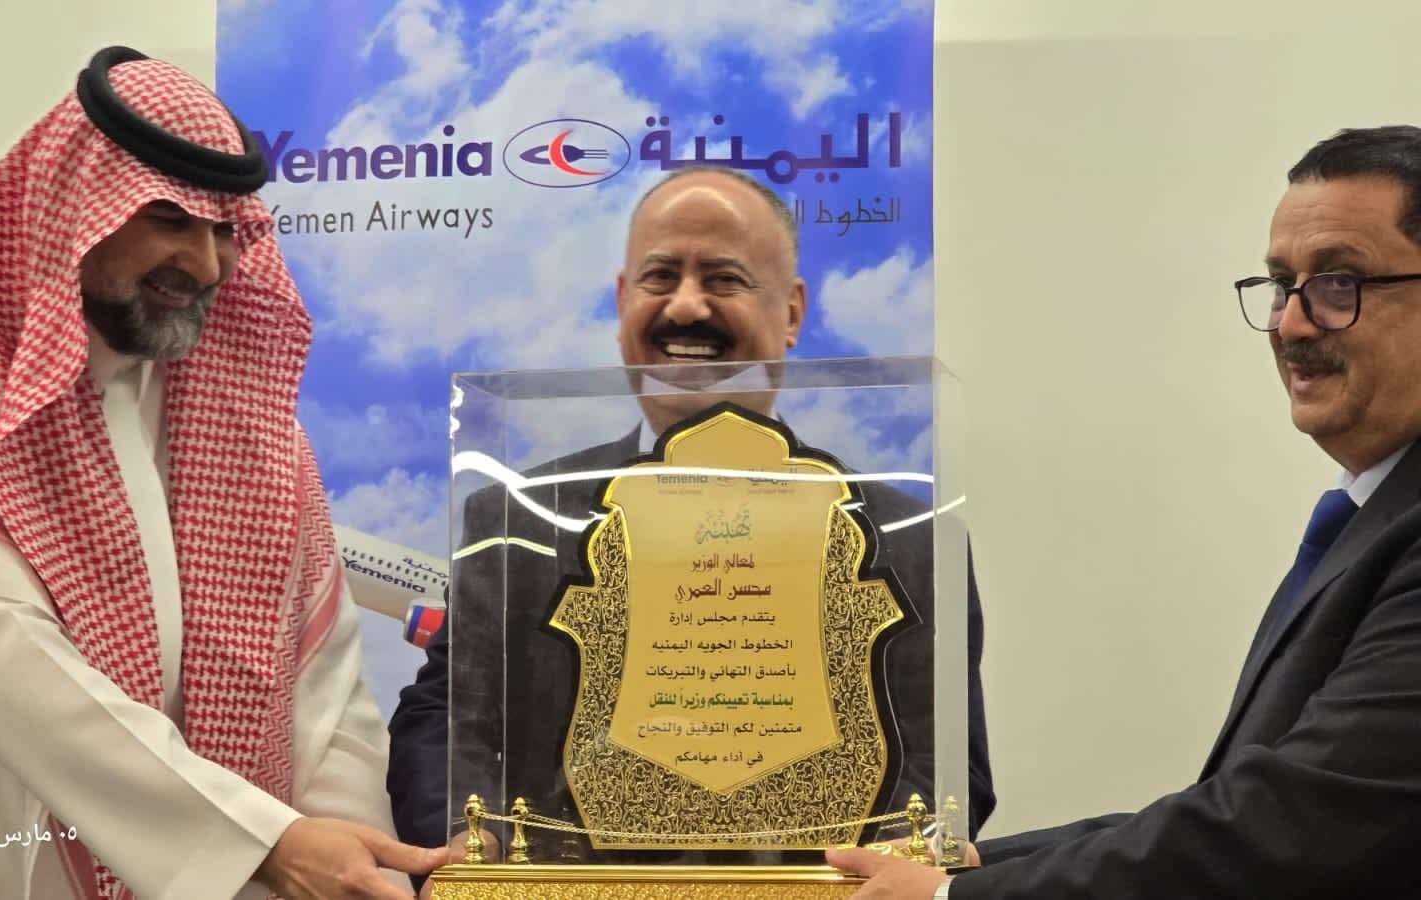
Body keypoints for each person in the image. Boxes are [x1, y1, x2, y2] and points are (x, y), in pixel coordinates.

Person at [0, 47, 445, 899]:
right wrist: (271, 845)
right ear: (72, 209)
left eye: (224, 231)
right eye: (169, 221)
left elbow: (322, 683)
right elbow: (25, 690)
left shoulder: (244, 426)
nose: (207, 265)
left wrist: (346, 856)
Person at [828, 125, 1421, 899]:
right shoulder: (1369, 516)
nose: (1291, 323)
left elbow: (1289, 823)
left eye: (1339, 283)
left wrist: (949, 899)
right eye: (1282, 284)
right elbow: (1230, 804)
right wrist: (975, 865)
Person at [386, 168, 995, 881]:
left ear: (792, 312)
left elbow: (949, 768)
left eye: (724, 278)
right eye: (660, 276)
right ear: (623, 300)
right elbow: (444, 718)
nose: (685, 306)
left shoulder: (916, 538)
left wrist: (903, 850)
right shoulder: (515, 518)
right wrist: (471, 841)